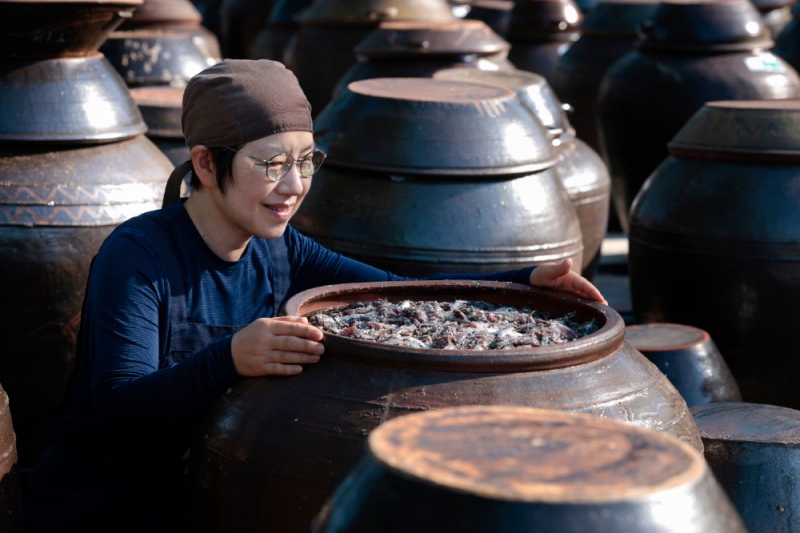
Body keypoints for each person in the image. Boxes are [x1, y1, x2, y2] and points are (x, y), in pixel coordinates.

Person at [25, 59, 606, 532]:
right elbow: (123, 409)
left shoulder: (282, 250)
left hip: (209, 493)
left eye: (305, 161)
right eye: (272, 163)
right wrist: (229, 359)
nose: (295, 185)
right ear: (204, 164)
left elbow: (399, 294)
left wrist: (520, 283)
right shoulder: (138, 257)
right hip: (104, 509)